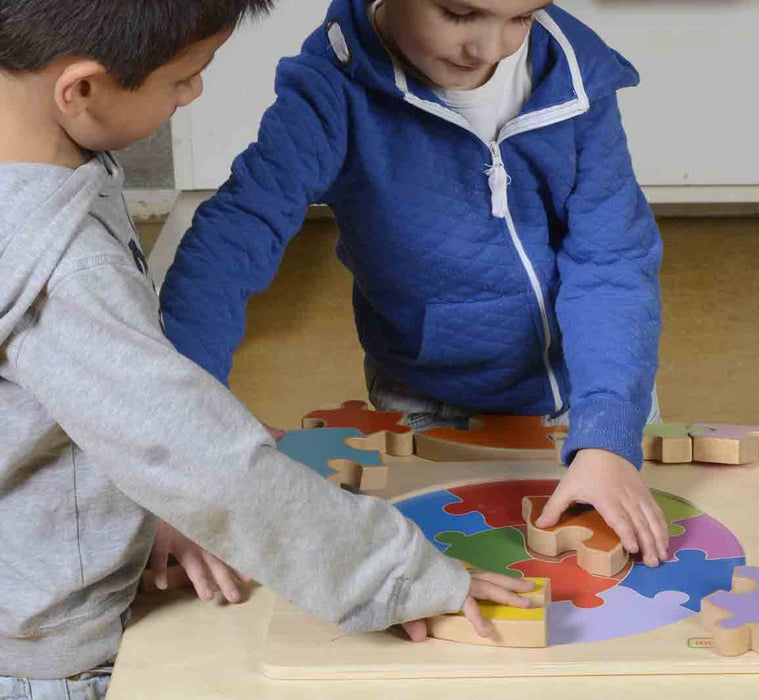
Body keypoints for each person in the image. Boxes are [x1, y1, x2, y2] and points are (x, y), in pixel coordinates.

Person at [0, 1, 532, 693]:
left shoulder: (41, 149)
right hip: (55, 652)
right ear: (81, 90)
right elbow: (194, 457)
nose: (194, 93)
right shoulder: (64, 267)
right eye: (182, 77)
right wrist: (405, 576)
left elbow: (89, 391)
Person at [160, 0, 671, 570]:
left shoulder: (575, 77)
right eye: (458, 14)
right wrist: (185, 443)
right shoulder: (332, 89)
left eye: (522, 18)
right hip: (427, 401)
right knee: (446, 584)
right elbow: (230, 243)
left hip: (590, 396)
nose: (491, 48)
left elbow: (612, 262)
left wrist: (606, 435)